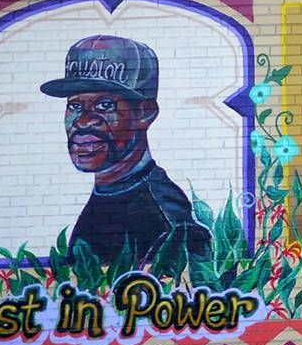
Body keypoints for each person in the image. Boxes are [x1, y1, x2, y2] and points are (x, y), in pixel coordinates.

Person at [40, 35, 211, 266]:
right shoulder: (108, 196)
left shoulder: (165, 217)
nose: (82, 121)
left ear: (145, 112)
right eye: (75, 106)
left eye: (104, 105)